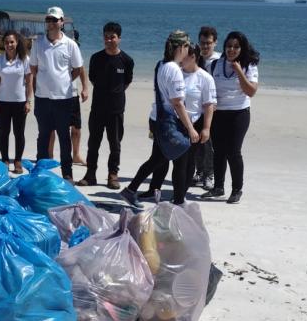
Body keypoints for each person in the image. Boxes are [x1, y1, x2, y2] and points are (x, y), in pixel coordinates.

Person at [120, 31, 199, 206]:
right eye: (187, 46)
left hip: (157, 118)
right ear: (181, 47)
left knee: (158, 159)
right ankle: (178, 202)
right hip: (169, 122)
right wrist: (191, 128)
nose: (188, 50)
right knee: (180, 160)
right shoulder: (174, 70)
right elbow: (177, 103)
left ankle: (131, 190)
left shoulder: (162, 64)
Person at [201, 31, 259, 204]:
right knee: (218, 151)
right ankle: (218, 187)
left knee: (234, 152)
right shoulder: (215, 65)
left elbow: (251, 91)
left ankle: (236, 189)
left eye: (235, 47)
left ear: (242, 48)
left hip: (239, 113)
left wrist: (239, 71)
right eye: (228, 46)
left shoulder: (250, 65)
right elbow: (208, 88)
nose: (231, 50)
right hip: (219, 114)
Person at [77, 22, 134, 190]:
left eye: (112, 37)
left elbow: (127, 81)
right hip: (98, 108)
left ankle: (112, 175)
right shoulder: (96, 58)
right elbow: (93, 78)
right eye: (106, 37)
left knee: (115, 144)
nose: (109, 40)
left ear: (119, 39)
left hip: (116, 109)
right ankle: (90, 174)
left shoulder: (126, 60)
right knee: (93, 143)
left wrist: (115, 94)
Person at [30, 6, 84, 180]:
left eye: (55, 20)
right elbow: (33, 68)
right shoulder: (38, 43)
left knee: (64, 137)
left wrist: (64, 80)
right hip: (43, 98)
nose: (51, 23)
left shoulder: (70, 44)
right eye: (49, 19)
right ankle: (40, 173)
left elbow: (78, 68)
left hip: (64, 98)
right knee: (43, 136)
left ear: (62, 22)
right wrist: (45, 82)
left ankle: (67, 174)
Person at [0, 30, 33, 174]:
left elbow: (29, 82)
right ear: (3, 44)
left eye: (12, 42)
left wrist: (28, 101)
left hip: (20, 102)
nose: (9, 45)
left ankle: (17, 161)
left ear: (17, 43)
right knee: (4, 132)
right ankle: (4, 160)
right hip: (3, 102)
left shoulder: (24, 60)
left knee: (19, 133)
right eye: (6, 42)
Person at [194, 26, 220, 189]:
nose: (205, 46)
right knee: (196, 142)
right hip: (197, 108)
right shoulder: (196, 58)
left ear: (215, 43)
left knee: (209, 144)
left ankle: (209, 175)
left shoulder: (220, 60)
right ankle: (200, 171)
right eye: (203, 43)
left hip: (213, 108)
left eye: (208, 43)